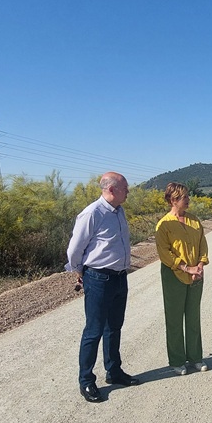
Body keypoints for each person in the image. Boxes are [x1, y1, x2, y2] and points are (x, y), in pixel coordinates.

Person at [65, 172, 141, 403]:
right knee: (94, 330)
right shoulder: (92, 213)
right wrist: (79, 271)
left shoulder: (119, 211)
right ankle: (86, 381)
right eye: (125, 188)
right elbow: (74, 249)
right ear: (111, 189)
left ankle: (114, 371)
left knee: (114, 327)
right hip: (98, 278)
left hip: (119, 277)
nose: (128, 191)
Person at [155, 182, 210, 375]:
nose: (188, 200)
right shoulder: (163, 224)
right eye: (184, 197)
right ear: (173, 200)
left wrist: (200, 265)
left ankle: (195, 357)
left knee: (193, 317)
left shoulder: (194, 220)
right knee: (174, 319)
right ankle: (177, 360)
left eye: (187, 196)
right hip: (174, 275)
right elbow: (165, 253)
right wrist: (186, 268)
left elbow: (202, 244)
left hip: (196, 274)